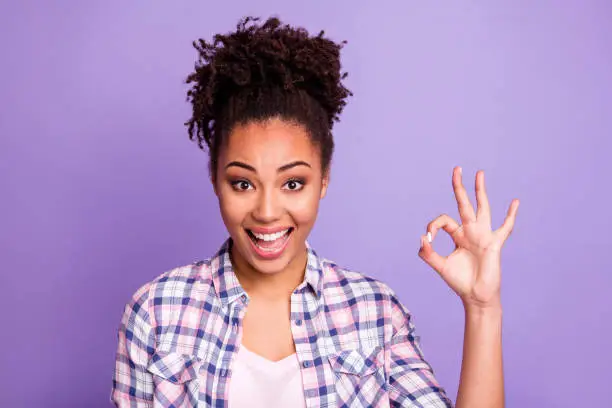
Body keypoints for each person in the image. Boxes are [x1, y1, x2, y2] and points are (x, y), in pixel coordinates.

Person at [110, 16, 519, 408]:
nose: (268, 211)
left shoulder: (373, 312)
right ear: (215, 179)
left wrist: (483, 308)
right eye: (243, 183)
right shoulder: (157, 311)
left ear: (323, 180)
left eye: (293, 183)